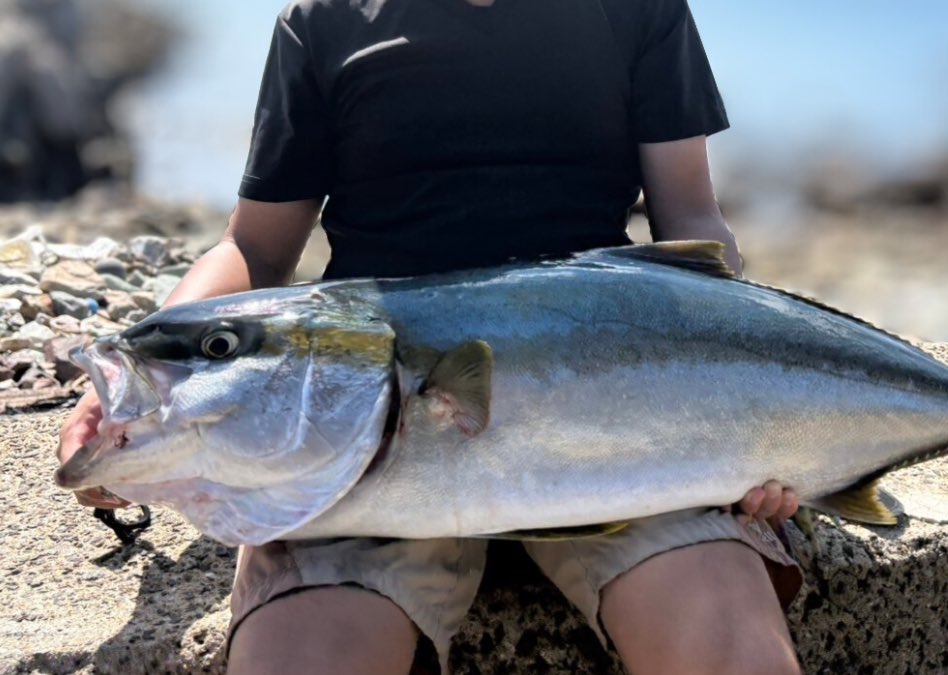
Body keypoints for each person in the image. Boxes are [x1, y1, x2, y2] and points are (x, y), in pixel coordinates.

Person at [57, 1, 806, 673]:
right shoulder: (323, 22)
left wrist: (748, 407)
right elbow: (255, 245)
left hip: (618, 411)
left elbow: (693, 225)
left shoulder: (637, 10)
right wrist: (136, 375)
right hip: (359, 429)